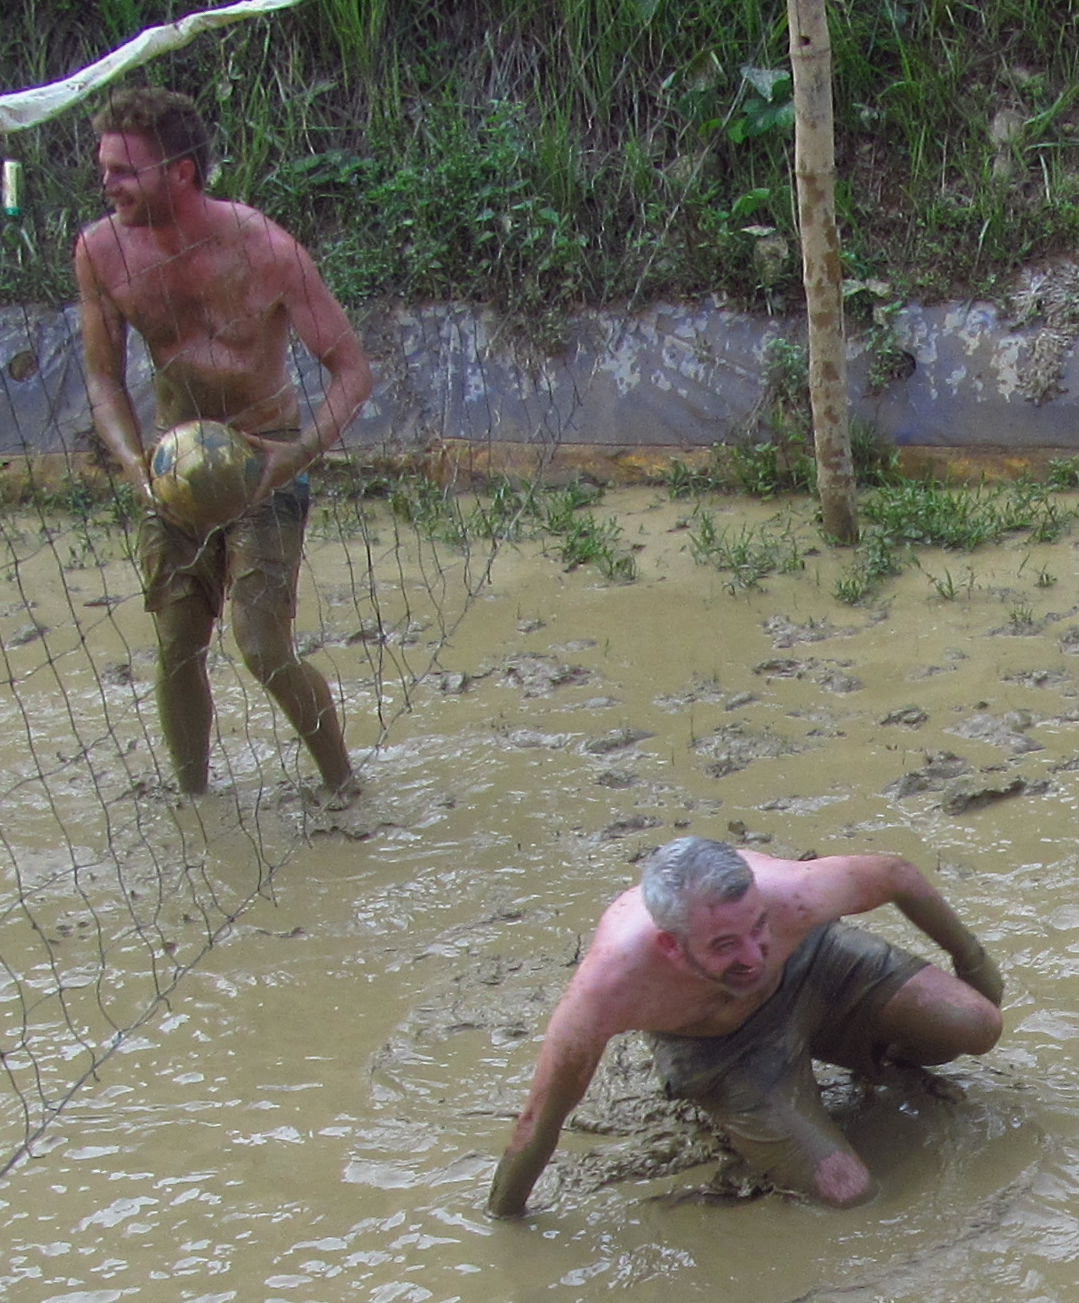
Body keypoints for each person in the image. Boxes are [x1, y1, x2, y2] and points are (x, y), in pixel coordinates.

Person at [73, 84, 376, 799]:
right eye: (105, 167)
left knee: (264, 647)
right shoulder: (101, 251)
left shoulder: (266, 249)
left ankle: (343, 787)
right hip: (171, 463)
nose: (107, 184)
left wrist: (291, 458)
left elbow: (353, 372)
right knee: (177, 645)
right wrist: (135, 464)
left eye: (124, 170)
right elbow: (103, 380)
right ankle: (194, 802)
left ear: (180, 171)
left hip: (264, 456)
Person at [489, 838, 1009, 1217]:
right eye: (724, 945)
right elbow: (540, 1119)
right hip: (724, 1050)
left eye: (758, 927)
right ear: (671, 946)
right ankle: (768, 1115)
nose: (753, 956)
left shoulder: (792, 893)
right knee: (849, 1193)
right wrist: (504, 1218)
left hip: (818, 968)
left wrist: (974, 963)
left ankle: (873, 1056)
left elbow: (897, 874)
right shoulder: (611, 986)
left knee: (976, 1023)